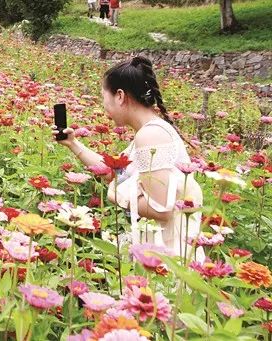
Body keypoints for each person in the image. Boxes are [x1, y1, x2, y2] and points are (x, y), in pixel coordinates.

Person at [52, 56, 203, 258]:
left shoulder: (151, 136)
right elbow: (115, 172)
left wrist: (116, 194)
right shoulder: (148, 132)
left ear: (120, 96)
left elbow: (162, 210)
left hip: (166, 259)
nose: (104, 107)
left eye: (104, 97)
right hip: (156, 250)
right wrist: (73, 143)